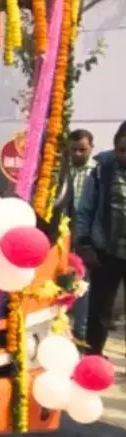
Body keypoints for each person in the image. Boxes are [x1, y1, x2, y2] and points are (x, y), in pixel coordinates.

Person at [74, 126, 126, 356]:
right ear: (115, 148)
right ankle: (93, 358)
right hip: (106, 253)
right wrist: (85, 244)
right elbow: (84, 210)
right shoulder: (101, 171)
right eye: (122, 150)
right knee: (99, 312)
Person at [66, 129, 96, 341]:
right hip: (65, 230)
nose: (77, 154)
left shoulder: (97, 172)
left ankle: (81, 329)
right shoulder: (62, 171)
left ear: (91, 148)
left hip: (89, 233)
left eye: (82, 150)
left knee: (84, 280)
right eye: (73, 149)